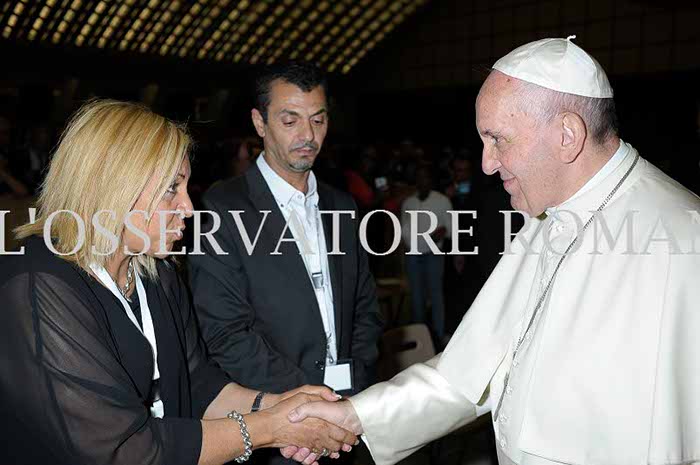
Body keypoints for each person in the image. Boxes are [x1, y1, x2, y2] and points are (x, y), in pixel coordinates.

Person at [283, 37, 700, 465]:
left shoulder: (685, 238)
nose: (486, 163)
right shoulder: (548, 218)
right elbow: (471, 370)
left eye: (498, 139)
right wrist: (352, 416)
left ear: (567, 135)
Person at [0, 99, 357, 465]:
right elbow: (123, 449)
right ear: (111, 186)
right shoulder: (36, 287)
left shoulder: (157, 272)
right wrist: (270, 428)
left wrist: (283, 406)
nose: (188, 207)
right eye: (172, 188)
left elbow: (198, 382)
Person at [188, 62, 383, 465]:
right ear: (260, 123)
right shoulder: (222, 209)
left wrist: (352, 388)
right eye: (290, 120)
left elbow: (366, 309)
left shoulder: (342, 206)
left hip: (349, 417)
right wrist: (308, 401)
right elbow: (226, 333)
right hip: (275, 428)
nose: (307, 135)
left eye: (318, 119)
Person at [401, 163, 453, 346]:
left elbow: (449, 228)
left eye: (426, 177)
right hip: (413, 254)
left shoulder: (442, 200)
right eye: (419, 177)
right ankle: (420, 339)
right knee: (416, 297)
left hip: (433, 253)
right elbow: (404, 228)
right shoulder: (409, 202)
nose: (422, 181)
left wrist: (439, 234)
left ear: (431, 180)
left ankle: (437, 337)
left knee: (436, 295)